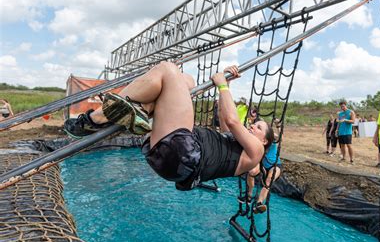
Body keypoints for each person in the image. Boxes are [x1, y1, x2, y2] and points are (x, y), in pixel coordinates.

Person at [64, 63, 274, 191]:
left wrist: (222, 84)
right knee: (187, 80)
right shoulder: (237, 144)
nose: (252, 126)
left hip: (186, 152)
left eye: (257, 128)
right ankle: (141, 109)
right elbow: (223, 116)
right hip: (176, 158)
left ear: (264, 140)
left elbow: (232, 120)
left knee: (168, 69)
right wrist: (229, 82)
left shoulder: (256, 151)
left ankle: (97, 117)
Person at [240, 119, 282, 214]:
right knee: (251, 172)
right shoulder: (254, 140)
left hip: (274, 165)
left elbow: (279, 138)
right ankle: (249, 195)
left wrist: (278, 126)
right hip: (260, 162)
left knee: (268, 180)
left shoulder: (272, 140)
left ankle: (259, 203)